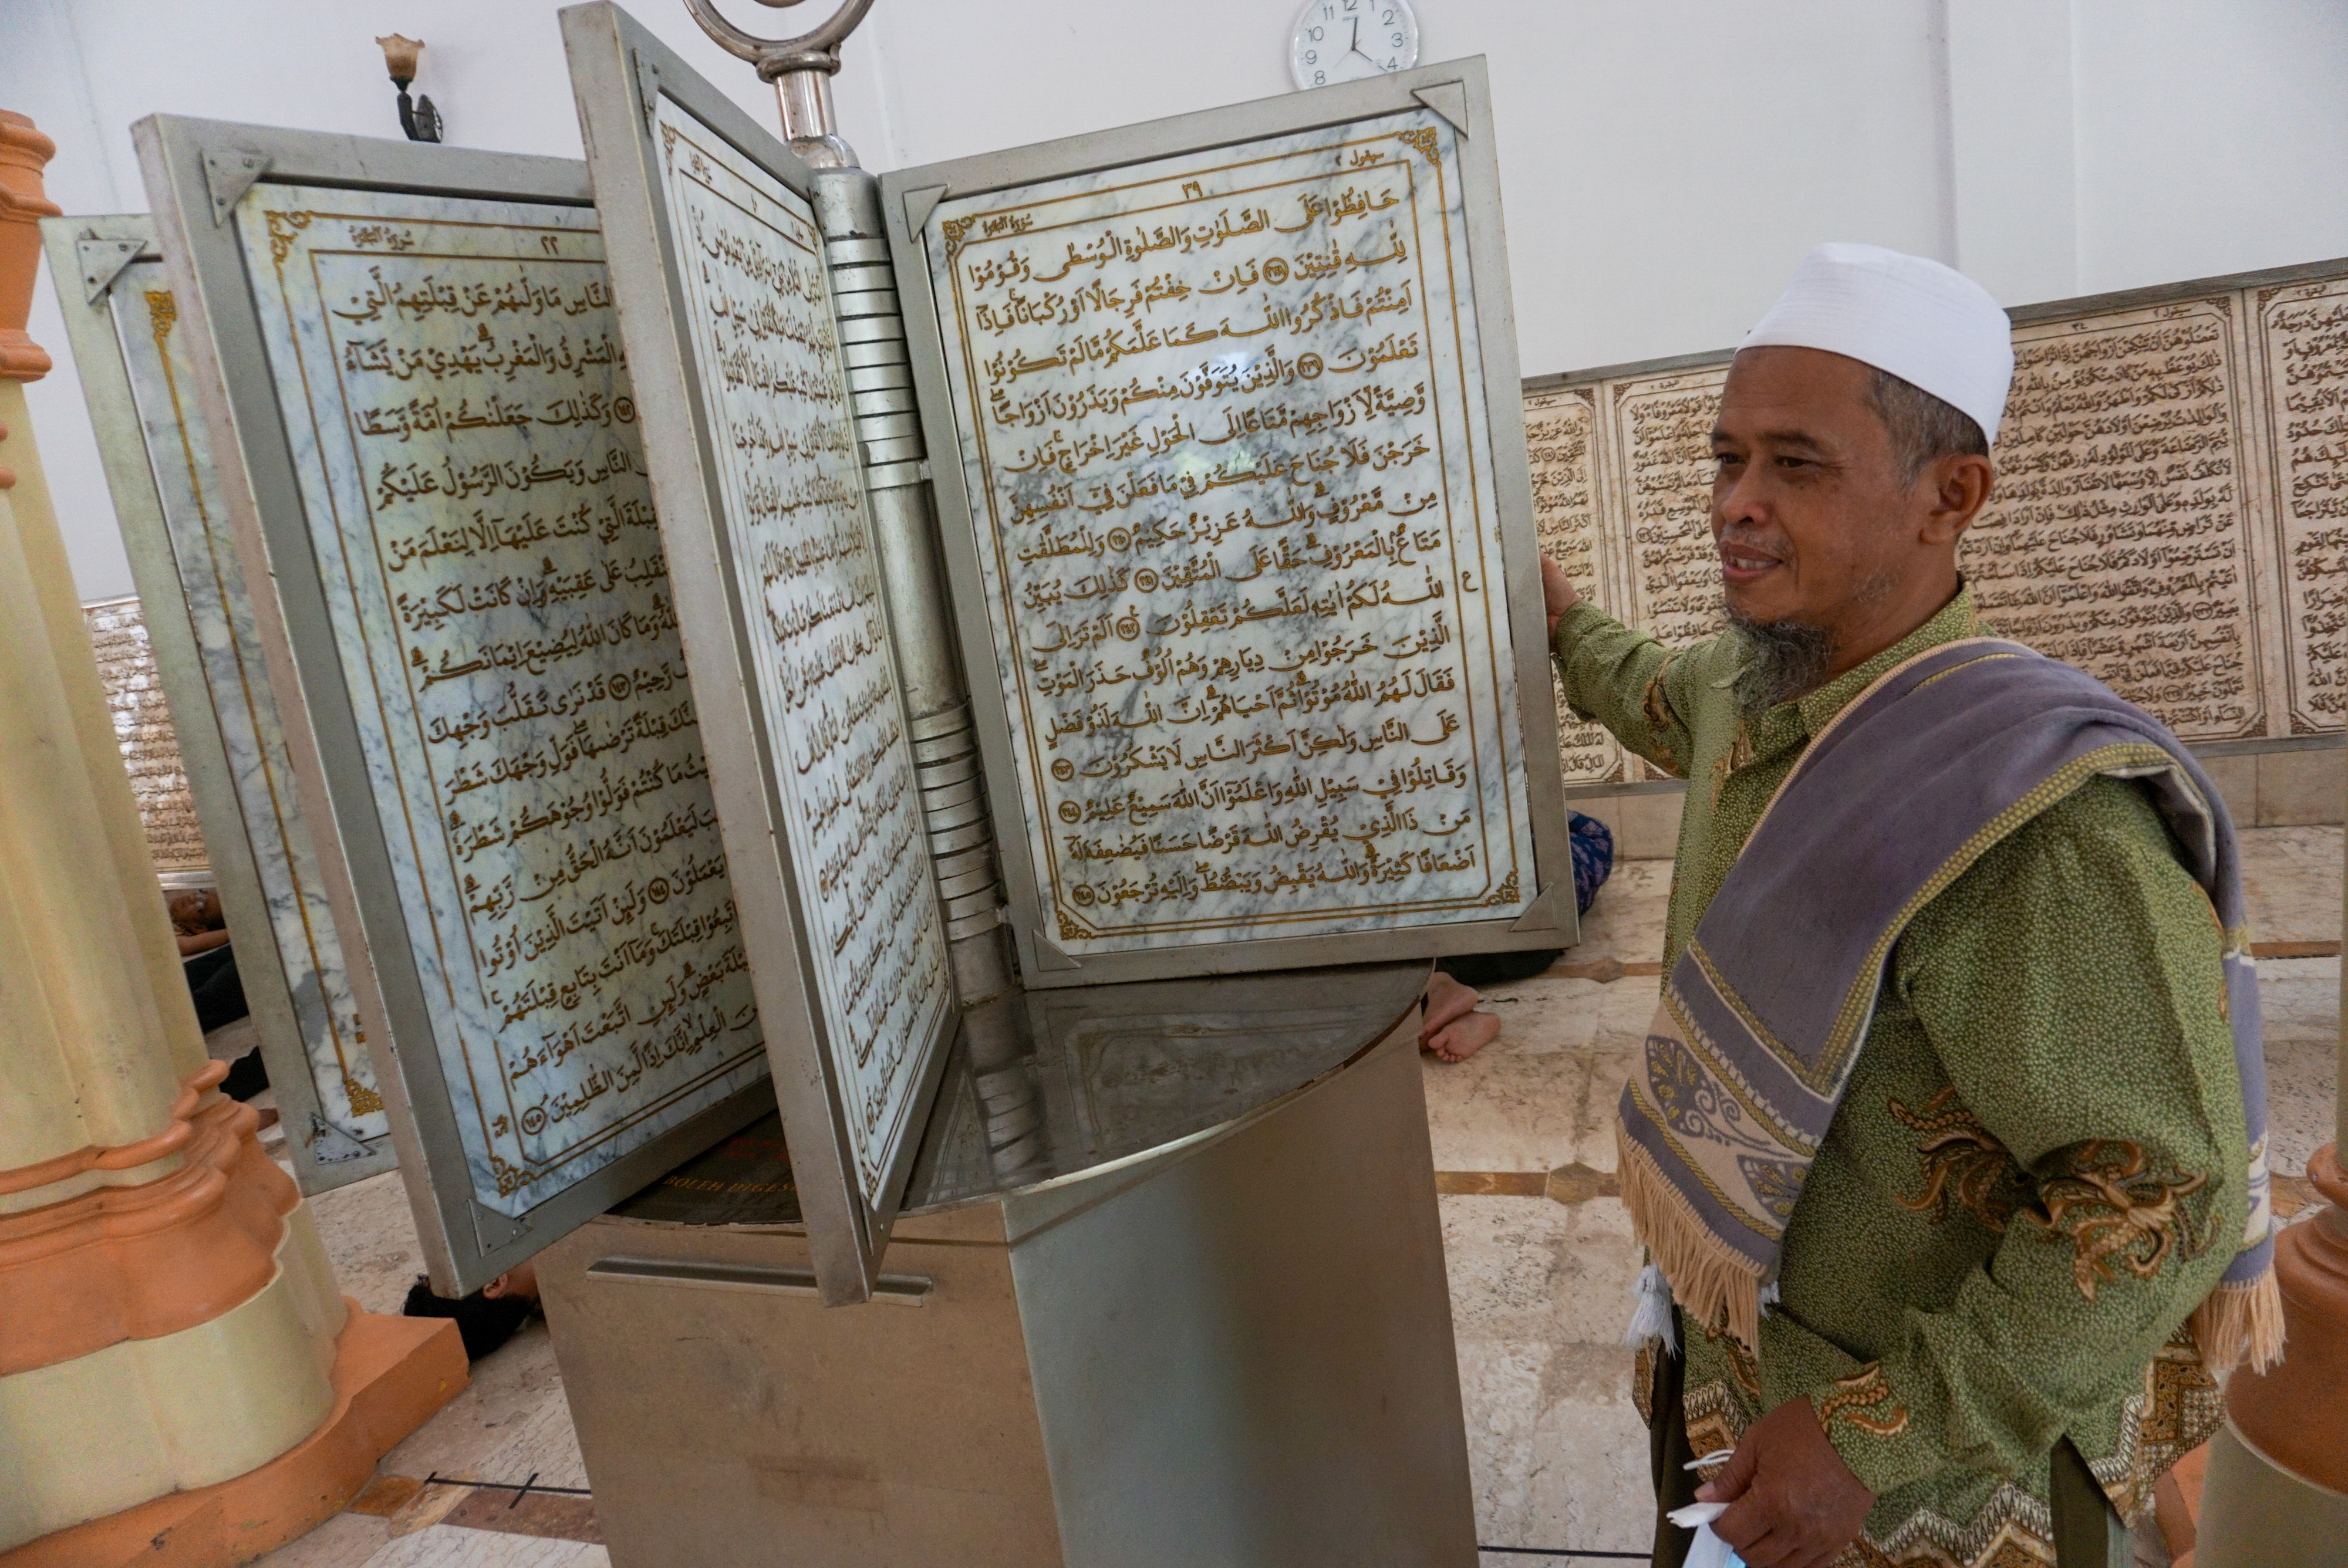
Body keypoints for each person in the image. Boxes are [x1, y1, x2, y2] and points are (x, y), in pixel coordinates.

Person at [1547, 244, 2278, 1568]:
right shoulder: (1743, 686)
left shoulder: (2033, 827)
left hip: (1920, 1491)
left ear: (1951, 494)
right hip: (1730, 1403)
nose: (1736, 504)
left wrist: (1874, 1434)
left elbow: (2159, 1192)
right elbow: (1644, 688)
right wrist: (1555, 623)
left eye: (1795, 464)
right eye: (1725, 461)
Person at [1421, 811, 1616, 1061]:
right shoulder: (1592, 843)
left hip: (1496, 919)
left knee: (1409, 950)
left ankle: (1439, 985)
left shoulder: (1528, 847)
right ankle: (1460, 1012)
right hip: (1535, 946)